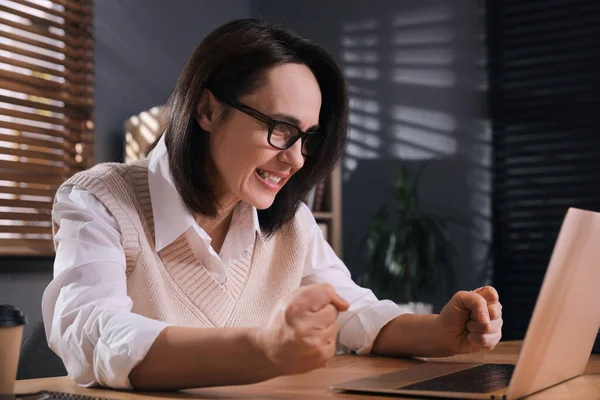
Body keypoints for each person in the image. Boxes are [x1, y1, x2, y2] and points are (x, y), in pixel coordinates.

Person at [42, 18, 502, 391]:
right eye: (279, 128)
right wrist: (263, 349)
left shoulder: (290, 221)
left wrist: (441, 332)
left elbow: (354, 314)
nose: (296, 157)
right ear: (206, 110)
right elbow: (91, 333)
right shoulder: (99, 199)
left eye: (306, 137)